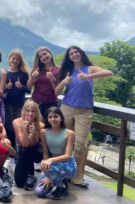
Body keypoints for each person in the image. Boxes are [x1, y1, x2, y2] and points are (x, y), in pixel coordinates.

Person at [55, 45, 113, 187]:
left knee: (80, 144)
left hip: (84, 111)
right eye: (71, 53)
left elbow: (109, 72)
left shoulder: (89, 68)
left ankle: (77, 177)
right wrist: (64, 82)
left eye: (76, 52)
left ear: (81, 53)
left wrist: (88, 76)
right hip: (67, 108)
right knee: (63, 142)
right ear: (69, 57)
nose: (74, 55)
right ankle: (63, 173)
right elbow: (56, 93)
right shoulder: (67, 72)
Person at [35, 107, 77, 200]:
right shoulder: (43, 132)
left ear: (61, 118)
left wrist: (50, 161)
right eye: (50, 117)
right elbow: (45, 153)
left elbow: (67, 156)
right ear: (47, 119)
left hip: (68, 165)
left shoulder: (69, 133)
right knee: (39, 192)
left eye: (55, 116)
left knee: (50, 168)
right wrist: (48, 174)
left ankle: (62, 187)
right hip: (52, 166)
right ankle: (58, 179)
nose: (53, 119)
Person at [13, 100, 44, 190]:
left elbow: (30, 145)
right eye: (28, 110)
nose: (30, 113)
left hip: (36, 152)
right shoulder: (16, 122)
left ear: (36, 113)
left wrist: (33, 133)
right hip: (24, 150)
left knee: (25, 150)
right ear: (23, 111)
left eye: (33, 111)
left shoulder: (40, 125)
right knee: (19, 182)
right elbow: (25, 144)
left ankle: (31, 175)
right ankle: (31, 174)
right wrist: (26, 130)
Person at [27, 46, 60, 118]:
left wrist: (52, 79)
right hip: (36, 102)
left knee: (50, 126)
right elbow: (28, 87)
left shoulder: (58, 70)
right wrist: (32, 78)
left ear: (50, 54)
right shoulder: (37, 70)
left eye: (45, 54)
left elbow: (58, 91)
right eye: (41, 56)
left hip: (52, 103)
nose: (44, 57)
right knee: (36, 125)